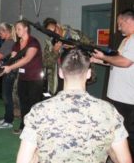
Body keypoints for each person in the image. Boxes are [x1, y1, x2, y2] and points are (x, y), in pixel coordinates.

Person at [17, 48, 132, 163]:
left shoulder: (39, 111)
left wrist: (38, 151)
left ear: (60, 73)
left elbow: (23, 160)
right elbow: (124, 160)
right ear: (88, 74)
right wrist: (108, 147)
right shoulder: (109, 111)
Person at [91, 9, 134, 157]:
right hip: (119, 96)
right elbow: (116, 61)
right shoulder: (126, 40)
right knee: (118, 132)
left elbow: (125, 62)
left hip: (128, 98)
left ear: (128, 21)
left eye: (120, 23)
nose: (118, 27)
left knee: (127, 134)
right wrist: (100, 59)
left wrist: (105, 57)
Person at [3, 20, 43, 134]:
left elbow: (27, 59)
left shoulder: (33, 42)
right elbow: (13, 57)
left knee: (33, 104)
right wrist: (5, 66)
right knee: (23, 104)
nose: (16, 31)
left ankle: (35, 129)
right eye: (16, 29)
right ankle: (24, 126)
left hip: (35, 78)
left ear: (26, 29)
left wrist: (10, 68)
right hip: (23, 78)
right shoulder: (17, 43)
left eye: (19, 28)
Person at [43, 17, 96, 95]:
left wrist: (75, 46)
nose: (54, 34)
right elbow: (46, 63)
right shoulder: (49, 43)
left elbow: (92, 48)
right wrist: (54, 51)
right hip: (59, 81)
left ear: (58, 25)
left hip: (77, 76)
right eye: (50, 34)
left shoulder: (76, 35)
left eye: (55, 30)